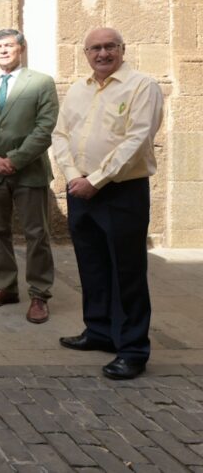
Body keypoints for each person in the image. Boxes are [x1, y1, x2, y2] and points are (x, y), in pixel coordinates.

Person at [53, 27, 163, 380]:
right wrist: (73, 176)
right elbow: (60, 135)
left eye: (109, 47)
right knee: (93, 265)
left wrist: (95, 180)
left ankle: (132, 349)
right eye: (95, 48)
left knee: (127, 272)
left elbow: (137, 139)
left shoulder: (142, 86)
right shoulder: (77, 90)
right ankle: (99, 331)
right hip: (79, 188)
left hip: (121, 192)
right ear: (86, 53)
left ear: (122, 49)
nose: (102, 53)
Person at [0, 29, 59, 323]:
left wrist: (15, 160)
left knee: (36, 234)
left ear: (21, 49)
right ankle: (5, 287)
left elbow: (45, 128)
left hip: (29, 170)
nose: (3, 51)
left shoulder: (41, 83)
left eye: (9, 46)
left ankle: (39, 294)